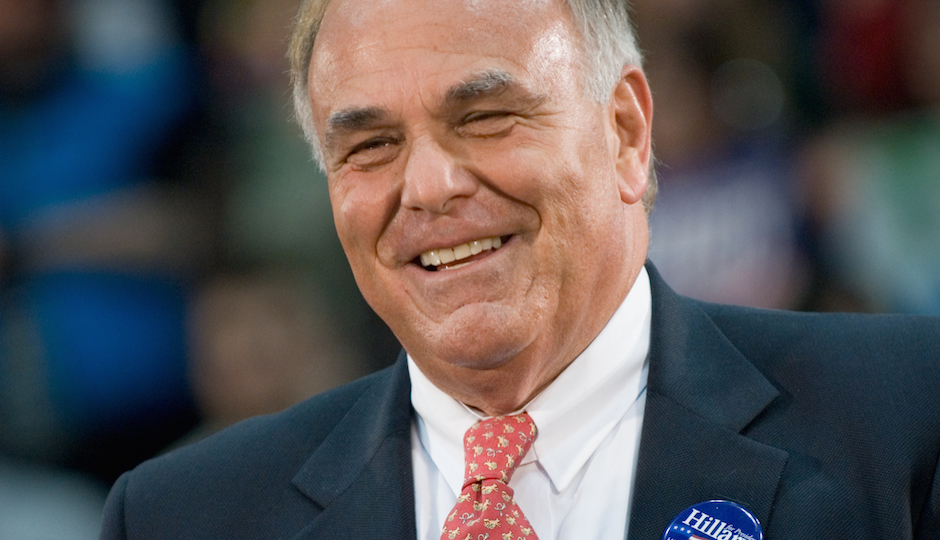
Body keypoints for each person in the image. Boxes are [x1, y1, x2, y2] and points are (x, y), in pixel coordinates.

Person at [98, 0, 940, 539]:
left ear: (625, 133)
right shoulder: (180, 517)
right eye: (371, 146)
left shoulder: (907, 416)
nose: (429, 186)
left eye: (486, 117)